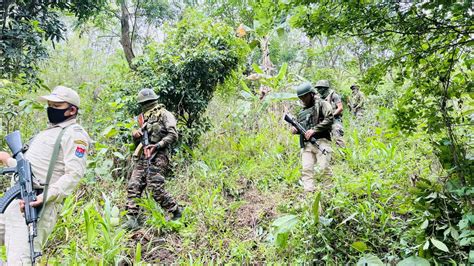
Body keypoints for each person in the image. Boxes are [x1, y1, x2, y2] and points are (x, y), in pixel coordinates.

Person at [0, 85, 90, 264]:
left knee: (20, 261)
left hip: (34, 205)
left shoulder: (74, 134)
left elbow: (74, 174)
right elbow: (31, 169)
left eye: (56, 106)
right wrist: (8, 161)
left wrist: (45, 196)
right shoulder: (47, 132)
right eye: (49, 105)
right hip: (12, 202)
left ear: (72, 110)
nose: (50, 109)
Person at [124, 88, 182, 230]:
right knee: (134, 185)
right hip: (144, 155)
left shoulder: (164, 114)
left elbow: (173, 135)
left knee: (155, 188)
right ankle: (132, 219)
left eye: (149, 102)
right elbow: (139, 142)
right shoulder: (142, 118)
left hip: (159, 155)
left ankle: (176, 212)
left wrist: (157, 145)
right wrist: (136, 136)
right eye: (145, 103)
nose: (147, 105)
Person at [290, 82, 334, 192]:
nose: (303, 99)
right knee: (307, 170)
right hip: (306, 145)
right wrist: (296, 130)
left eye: (305, 96)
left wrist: (314, 130)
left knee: (324, 169)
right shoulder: (301, 112)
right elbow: (302, 128)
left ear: (311, 94)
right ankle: (309, 194)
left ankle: (328, 194)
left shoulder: (323, 104)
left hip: (321, 141)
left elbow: (329, 119)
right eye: (301, 97)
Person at [314, 80, 345, 147]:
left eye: (319, 88)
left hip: (335, 120)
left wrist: (331, 115)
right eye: (317, 88)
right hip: (324, 121)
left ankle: (343, 154)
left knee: (337, 135)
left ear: (324, 88)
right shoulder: (319, 98)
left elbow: (340, 108)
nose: (318, 90)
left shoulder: (334, 96)